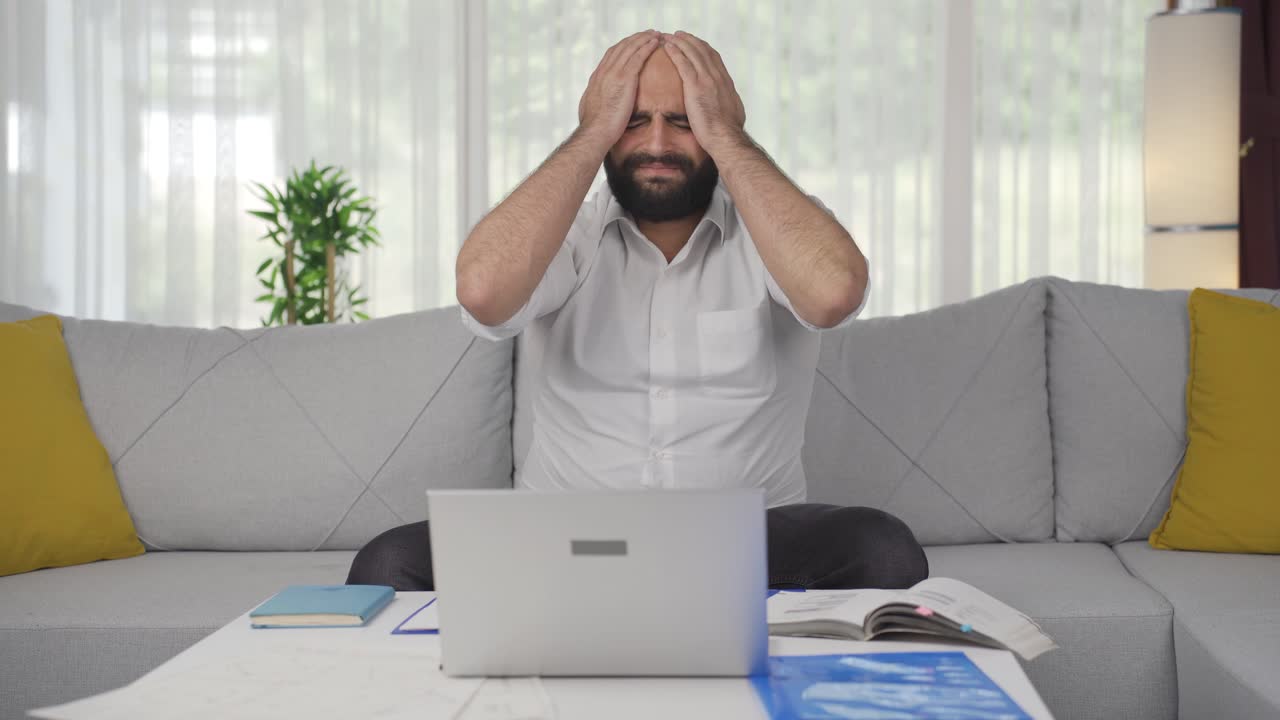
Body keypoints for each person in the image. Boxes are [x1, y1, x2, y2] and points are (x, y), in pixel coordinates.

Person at [347, 30, 927, 591]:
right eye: (631, 122)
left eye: (683, 121)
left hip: (743, 540)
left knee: (884, 550)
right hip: (566, 537)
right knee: (389, 561)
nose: (656, 145)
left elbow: (834, 294)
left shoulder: (776, 225)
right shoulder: (566, 230)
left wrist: (728, 138)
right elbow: (482, 291)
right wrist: (592, 129)